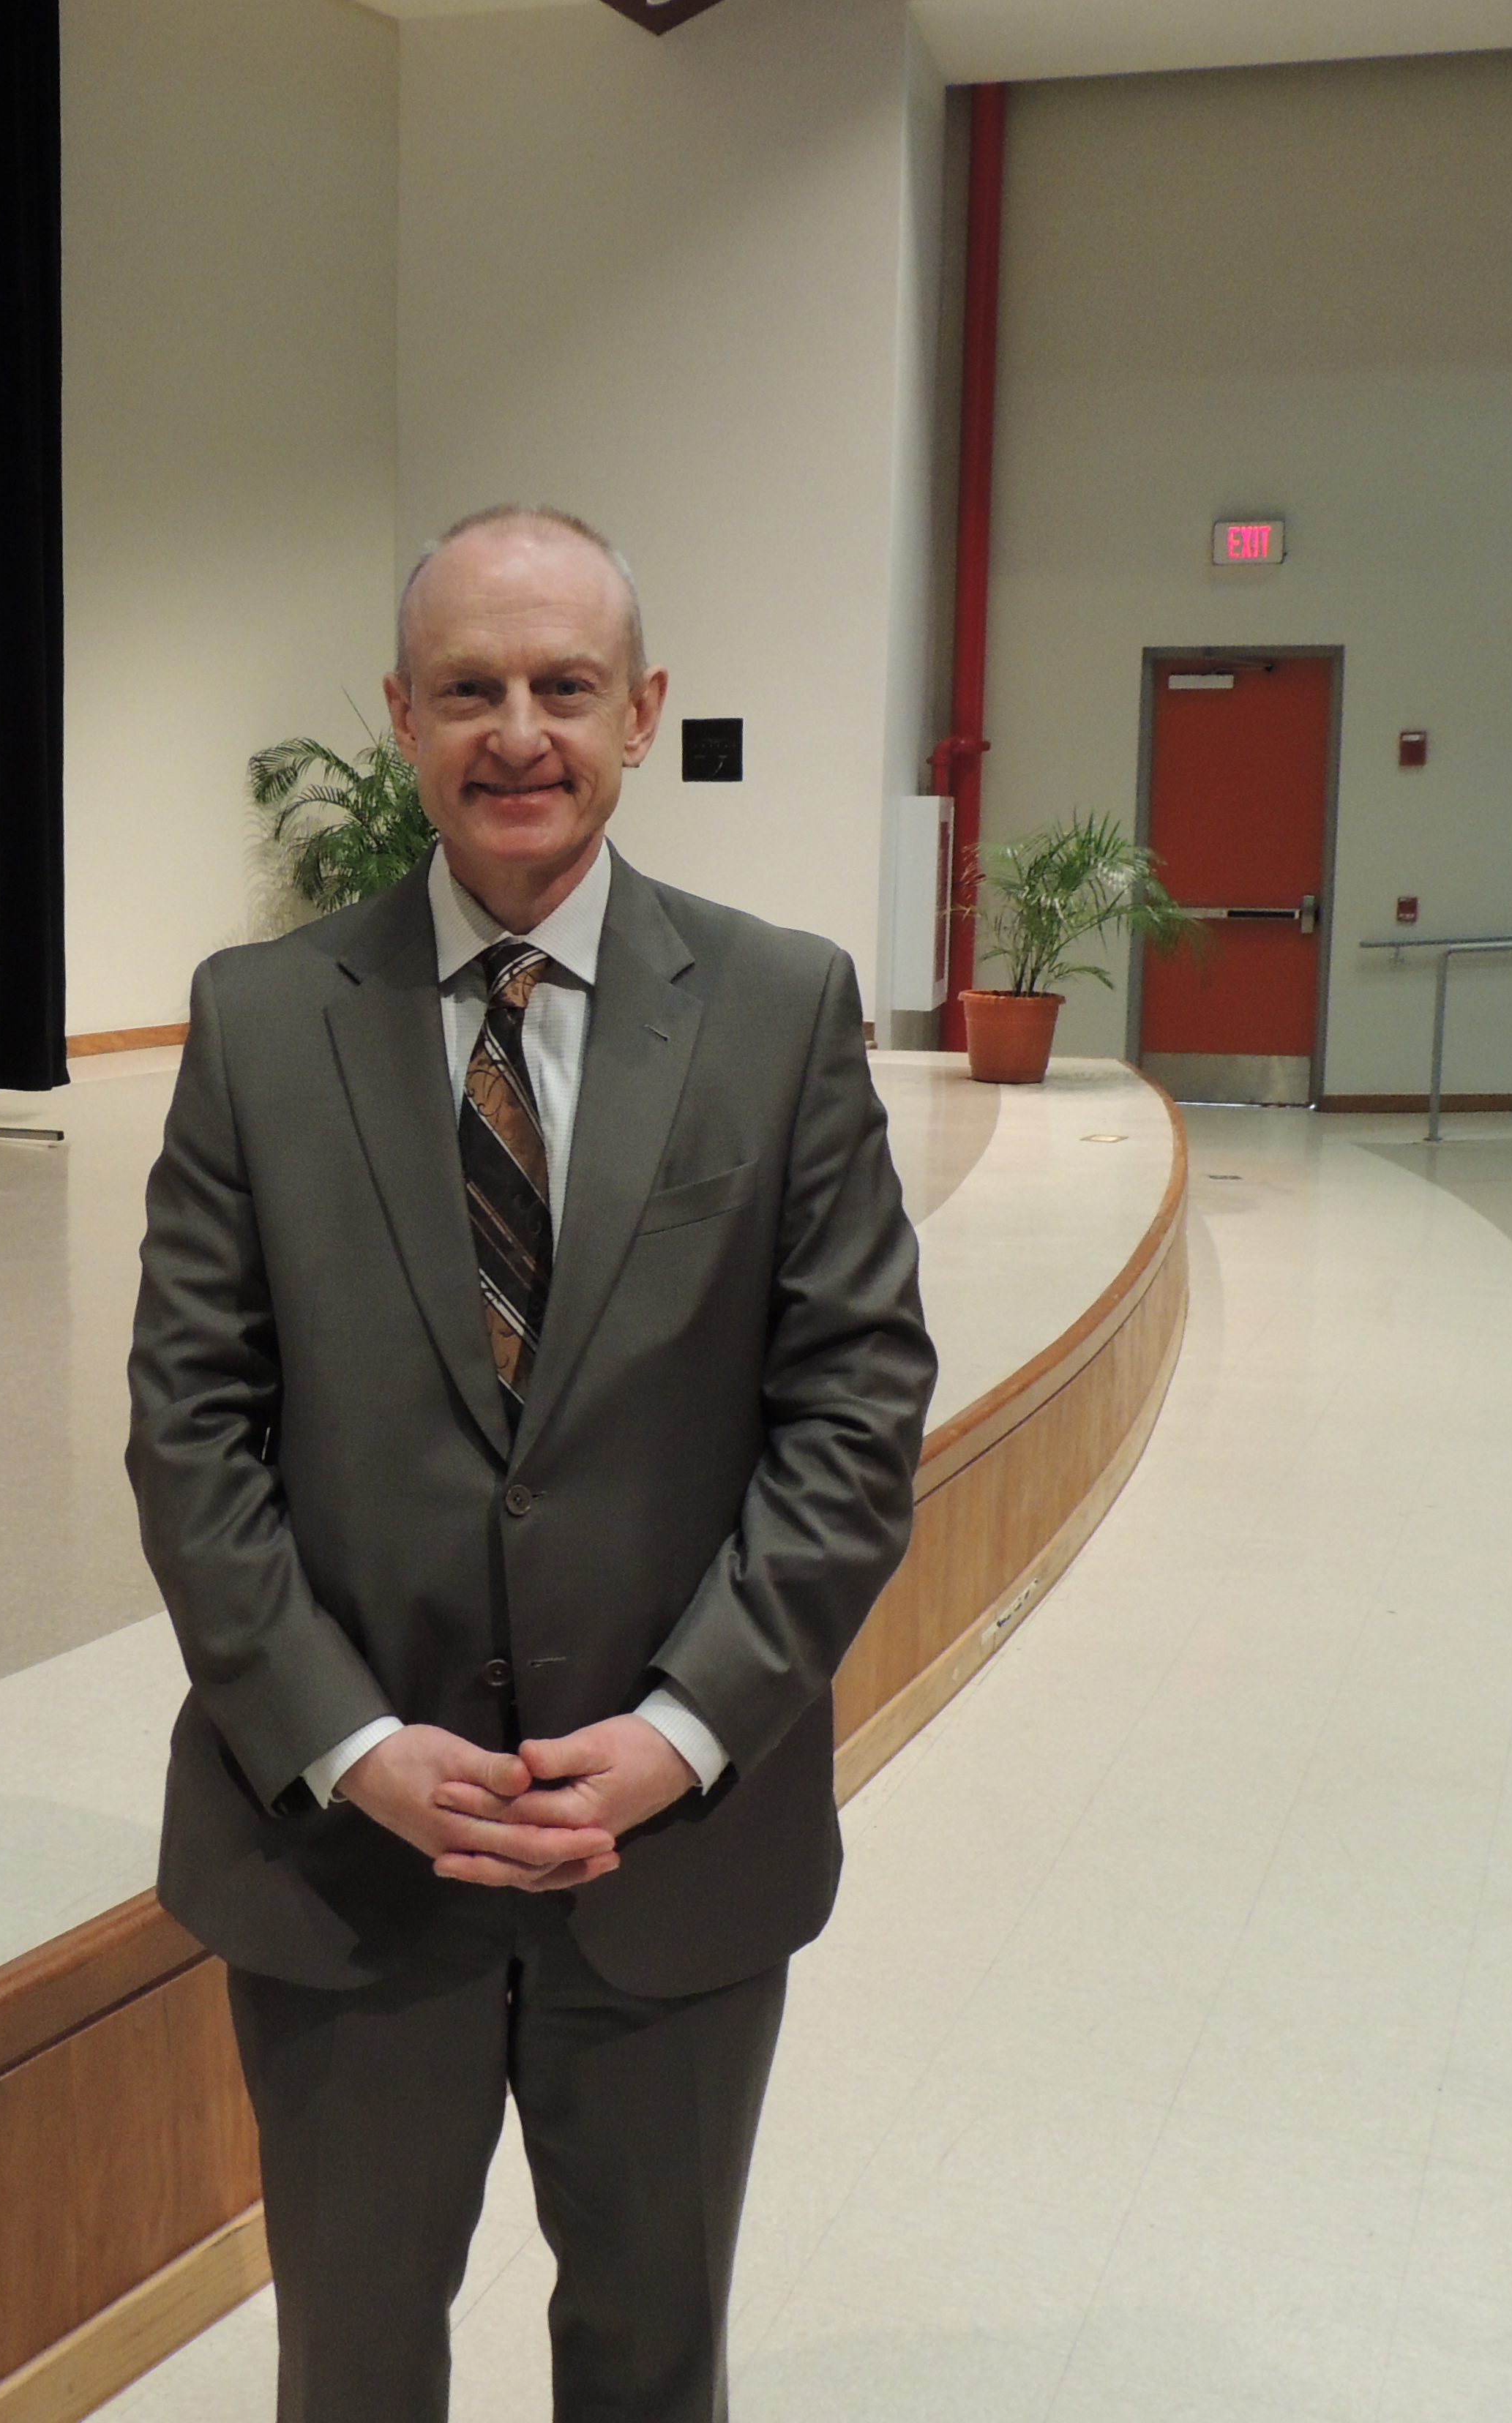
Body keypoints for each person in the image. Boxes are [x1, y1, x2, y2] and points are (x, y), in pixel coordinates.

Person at [125, 505, 935, 2422]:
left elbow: (855, 1405)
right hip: (346, 1862)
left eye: (564, 687)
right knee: (352, 2367)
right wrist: (347, 1743)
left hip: (673, 1851)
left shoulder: (780, 1009)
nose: (517, 734)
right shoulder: (259, 1021)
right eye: (468, 689)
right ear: (401, 713)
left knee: (652, 2362)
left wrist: (684, 1728)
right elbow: (190, 1426)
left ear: (641, 712)